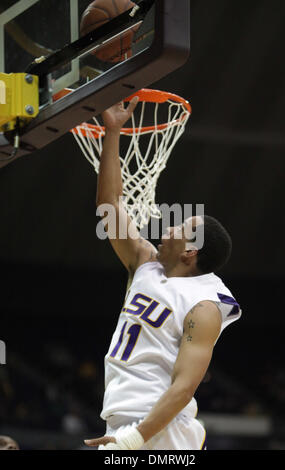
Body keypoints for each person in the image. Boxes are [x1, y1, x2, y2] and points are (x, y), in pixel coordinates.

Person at [84, 98, 241, 451]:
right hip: (124, 420)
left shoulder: (205, 306)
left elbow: (183, 387)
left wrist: (133, 439)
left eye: (179, 228)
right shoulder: (145, 261)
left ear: (190, 251)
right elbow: (109, 205)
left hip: (162, 430)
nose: (168, 229)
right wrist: (112, 131)